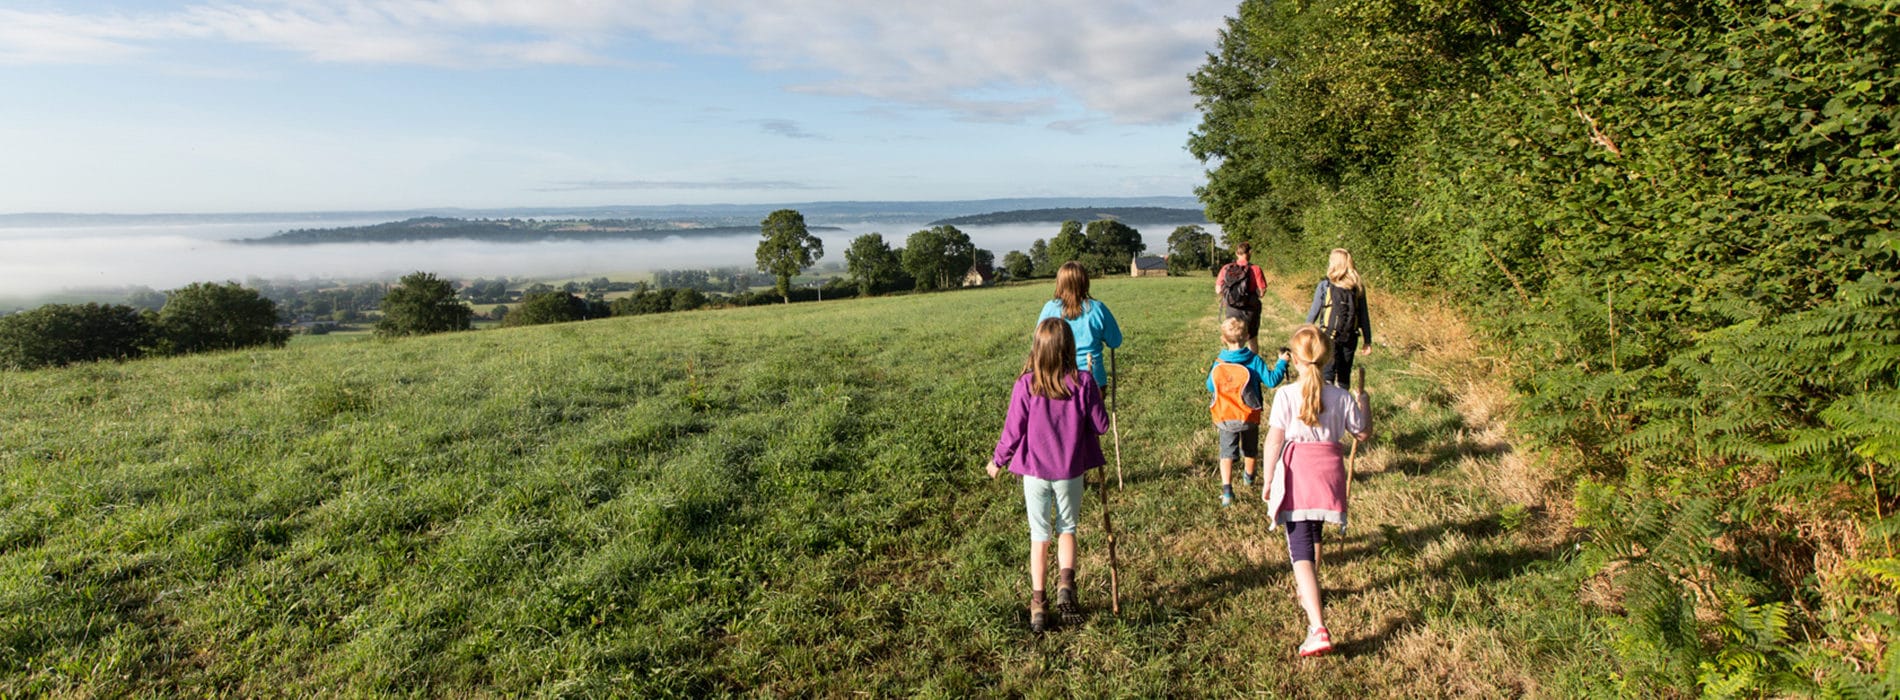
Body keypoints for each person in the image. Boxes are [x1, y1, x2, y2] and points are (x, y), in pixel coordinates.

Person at [987, 317, 1112, 633]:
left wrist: (997, 461)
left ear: (1037, 350)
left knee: (1039, 536)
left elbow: (1012, 430)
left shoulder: (1026, 385)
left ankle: (1038, 606)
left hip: (1035, 472)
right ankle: (1066, 585)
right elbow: (1102, 426)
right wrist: (1093, 397)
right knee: (1067, 527)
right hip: (1070, 471)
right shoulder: (1083, 383)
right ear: (1069, 348)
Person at [1262, 324, 1370, 657]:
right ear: (1327, 358)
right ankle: (1311, 591)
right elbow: (1362, 433)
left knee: (1300, 552)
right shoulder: (1341, 396)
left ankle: (1317, 627)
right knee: (1315, 533)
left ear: (1293, 360)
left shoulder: (1285, 395)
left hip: (1298, 475)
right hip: (1330, 475)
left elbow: (1274, 441)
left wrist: (1267, 480)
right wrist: (1364, 402)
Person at [1206, 317, 1290, 507]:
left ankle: (1227, 491)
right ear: (1246, 336)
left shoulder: (1219, 362)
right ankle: (1249, 478)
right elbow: (1271, 381)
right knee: (1250, 450)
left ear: (1223, 339)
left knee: (1226, 453)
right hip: (1249, 416)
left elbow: (1210, 386)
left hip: (1226, 416)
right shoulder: (1254, 360)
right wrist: (1281, 362)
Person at [1039, 261, 1123, 388]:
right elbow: (1115, 341)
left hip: (1057, 379)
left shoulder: (1049, 308)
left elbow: (1038, 344)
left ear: (1059, 283)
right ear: (1085, 282)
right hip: (1093, 379)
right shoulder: (1097, 308)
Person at [1303, 248, 1373, 390]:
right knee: (1344, 375)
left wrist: (1304, 334)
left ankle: (1326, 407)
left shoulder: (1325, 285)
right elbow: (1364, 316)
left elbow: (1314, 312)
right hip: (1350, 337)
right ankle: (1342, 406)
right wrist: (1367, 341)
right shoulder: (1357, 286)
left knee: (1327, 373)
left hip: (1328, 336)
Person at [1215, 242, 1268, 352]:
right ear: (1250, 252)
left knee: (1233, 339)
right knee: (1252, 338)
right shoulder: (1256, 269)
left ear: (1236, 253)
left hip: (1232, 308)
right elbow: (1261, 292)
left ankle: (1235, 364)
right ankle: (1252, 365)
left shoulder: (1226, 268)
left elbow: (1218, 290)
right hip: (1251, 309)